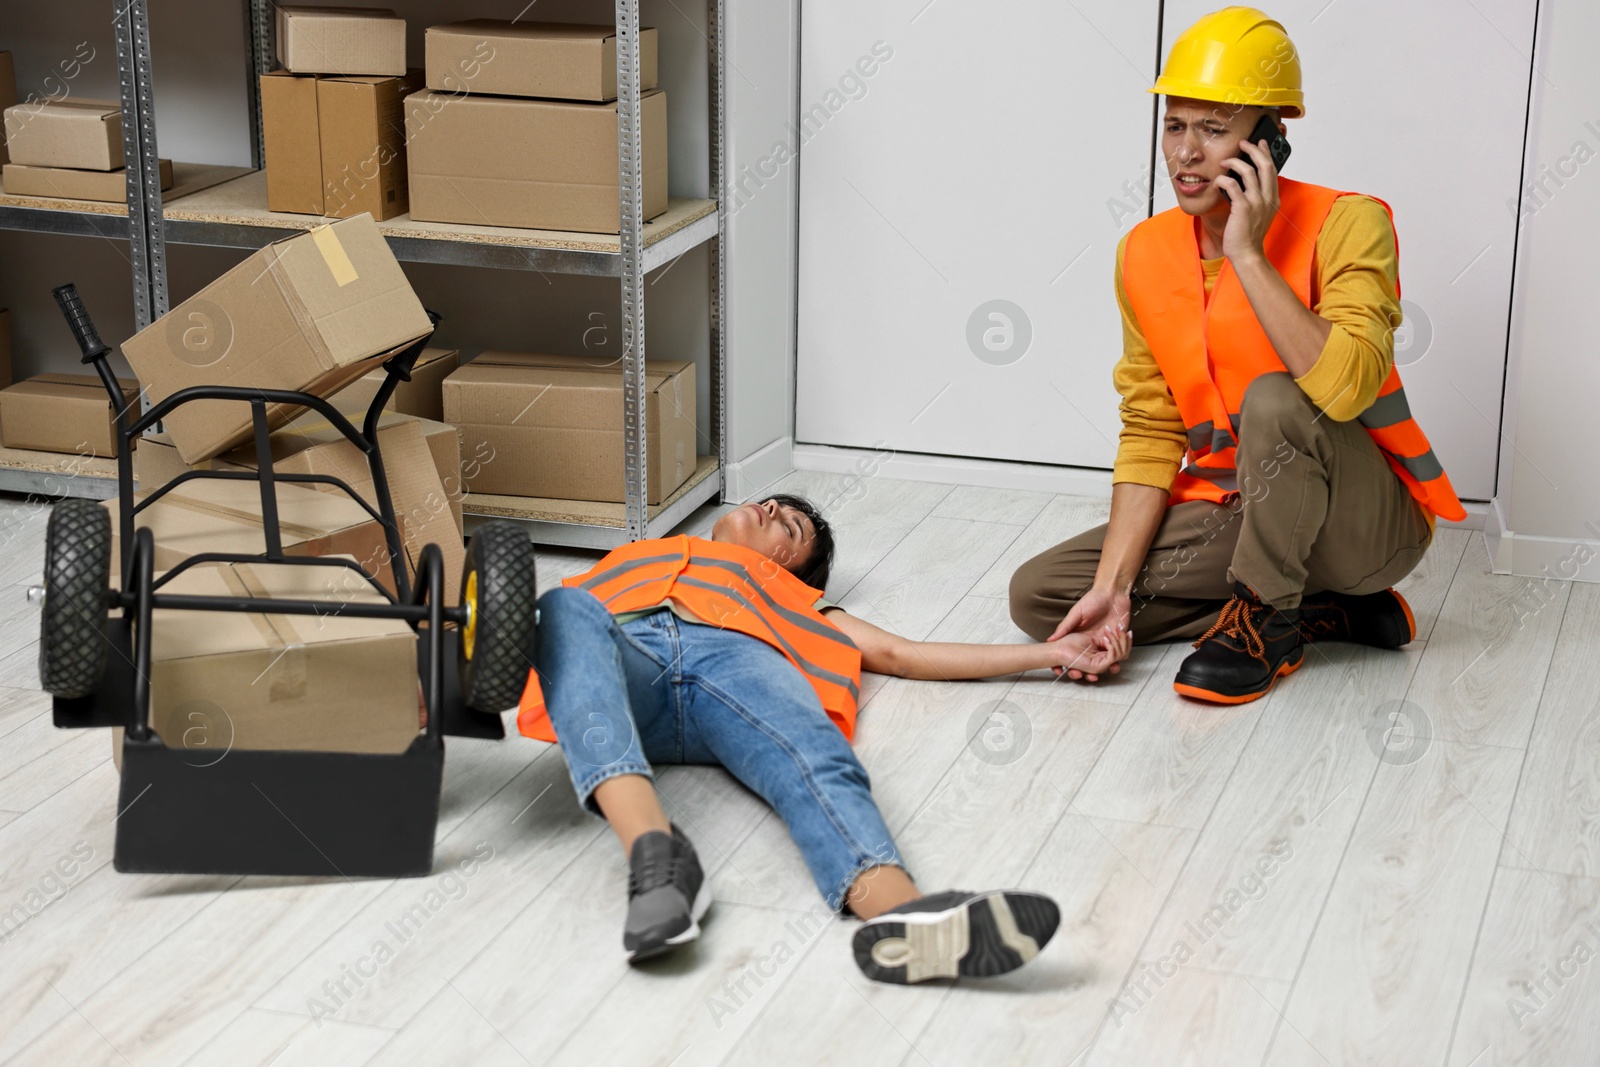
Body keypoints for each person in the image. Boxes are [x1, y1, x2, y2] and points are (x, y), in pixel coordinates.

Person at [1009, 6, 1466, 704]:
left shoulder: (1349, 223)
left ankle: (1266, 620)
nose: (1185, 153)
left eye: (1214, 130)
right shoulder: (1144, 252)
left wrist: (1249, 253)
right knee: (1044, 598)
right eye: (1174, 124)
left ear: (1269, 143)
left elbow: (1345, 388)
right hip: (1240, 508)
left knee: (1277, 398)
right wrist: (1113, 588)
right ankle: (1321, 607)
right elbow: (1153, 428)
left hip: (1368, 525)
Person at [517, 493, 1129, 981]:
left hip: (740, 664)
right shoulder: (637, 554)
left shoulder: (803, 603)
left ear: (791, 566)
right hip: (629, 662)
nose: (772, 510)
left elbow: (903, 653)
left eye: (790, 525)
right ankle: (656, 856)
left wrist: (1051, 652)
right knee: (561, 610)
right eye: (773, 504)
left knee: (811, 750)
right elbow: (534, 644)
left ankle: (905, 918)